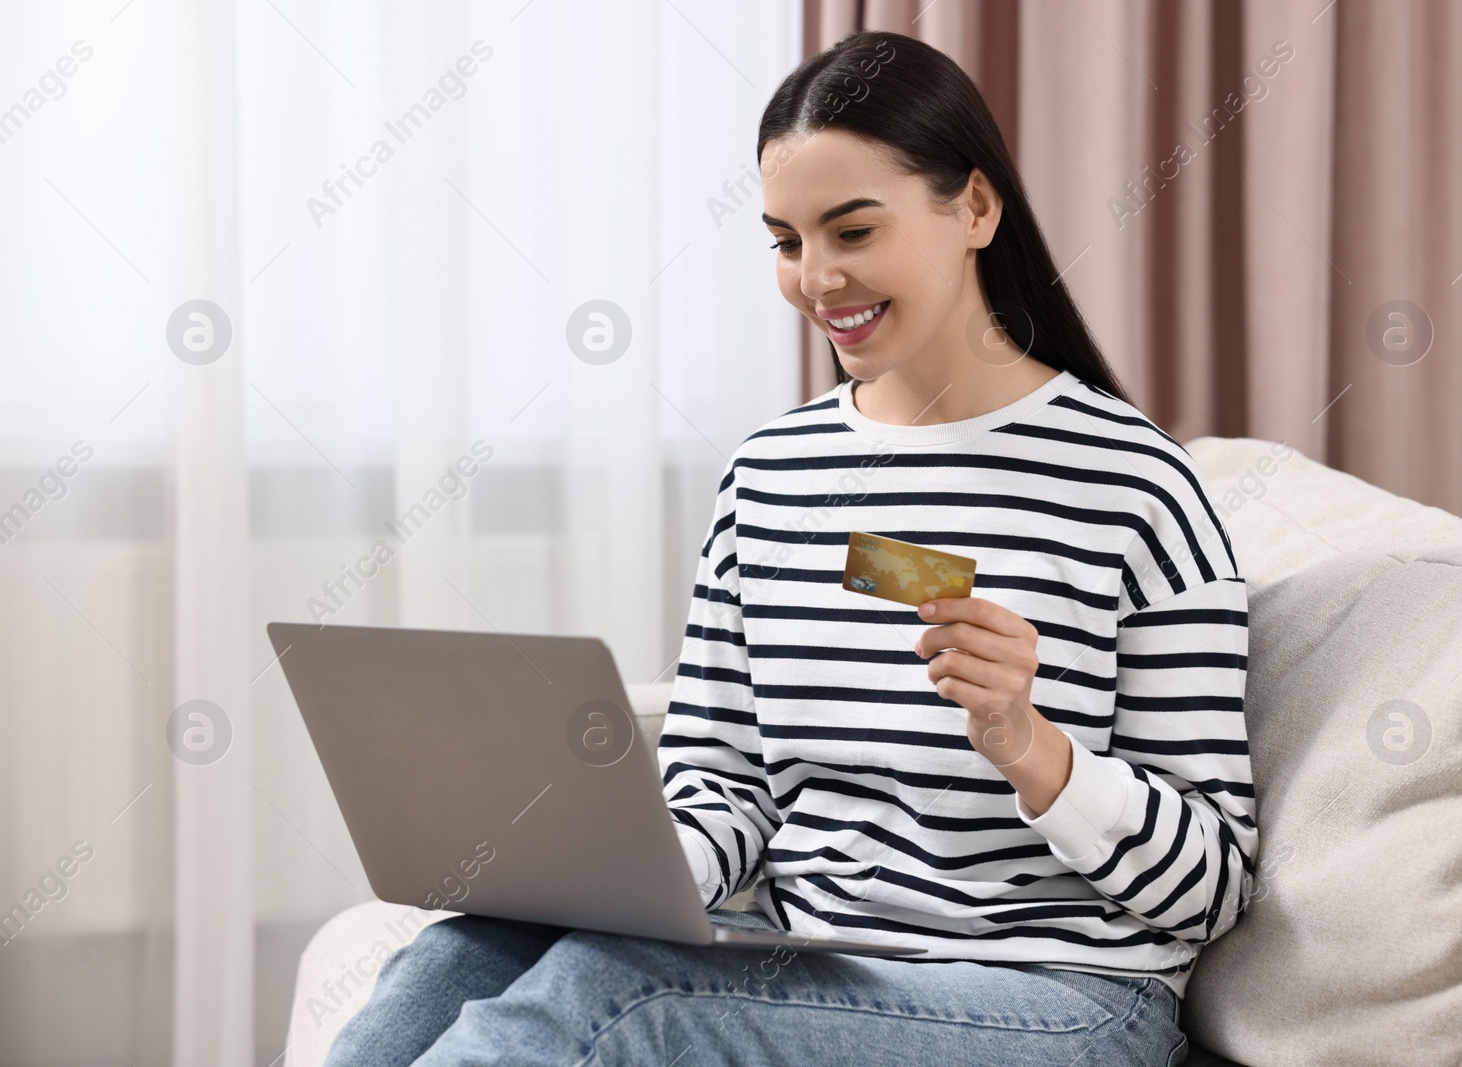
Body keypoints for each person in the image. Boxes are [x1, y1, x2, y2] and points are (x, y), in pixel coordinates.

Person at [327, 29, 1252, 1067]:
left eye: (852, 230)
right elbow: (725, 783)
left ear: (976, 209)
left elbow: (1211, 884)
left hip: (1061, 996)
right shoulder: (774, 470)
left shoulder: (1130, 484)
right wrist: (609, 871)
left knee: (620, 997)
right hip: (820, 963)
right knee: (455, 956)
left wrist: (1031, 747)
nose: (817, 278)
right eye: (784, 240)